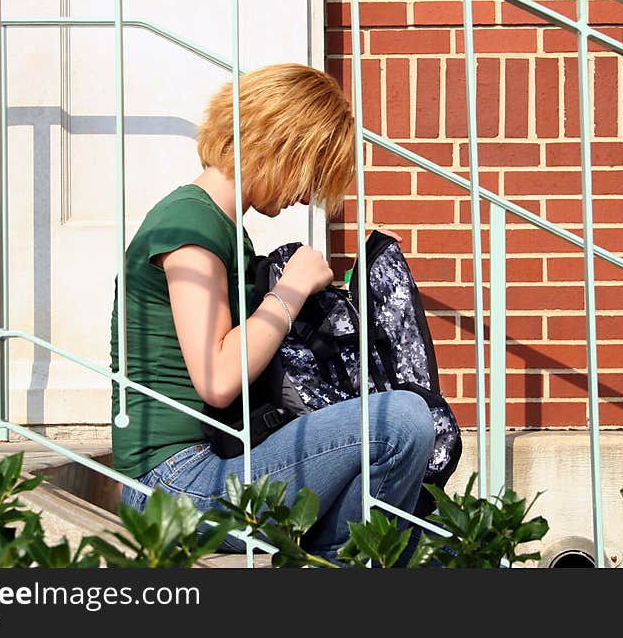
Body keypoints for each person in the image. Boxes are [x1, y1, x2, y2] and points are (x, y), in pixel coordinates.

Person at [111, 63, 434, 562]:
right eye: (309, 175)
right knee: (402, 421)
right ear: (279, 145)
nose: (305, 195)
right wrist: (291, 289)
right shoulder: (188, 225)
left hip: (210, 464)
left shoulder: (220, 228)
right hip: (173, 487)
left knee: (409, 504)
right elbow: (217, 377)